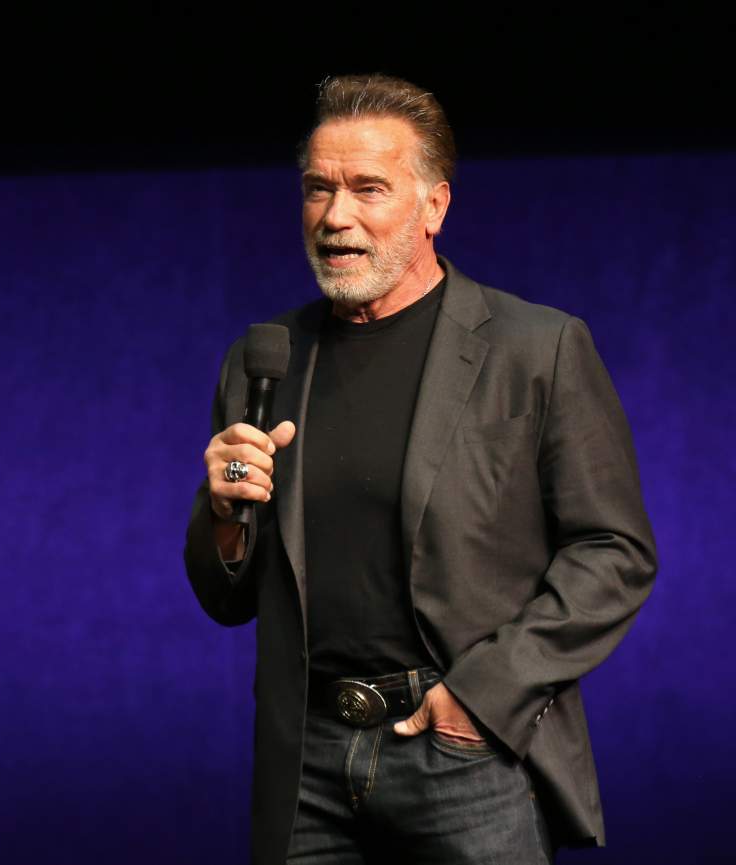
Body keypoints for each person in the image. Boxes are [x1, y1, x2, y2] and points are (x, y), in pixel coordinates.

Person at [184, 75, 657, 864]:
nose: (336, 216)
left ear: (434, 205)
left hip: (465, 753)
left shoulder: (535, 349)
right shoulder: (264, 359)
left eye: (368, 188)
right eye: (317, 189)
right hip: (308, 764)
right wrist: (226, 516)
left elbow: (614, 552)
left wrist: (483, 694)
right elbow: (227, 597)